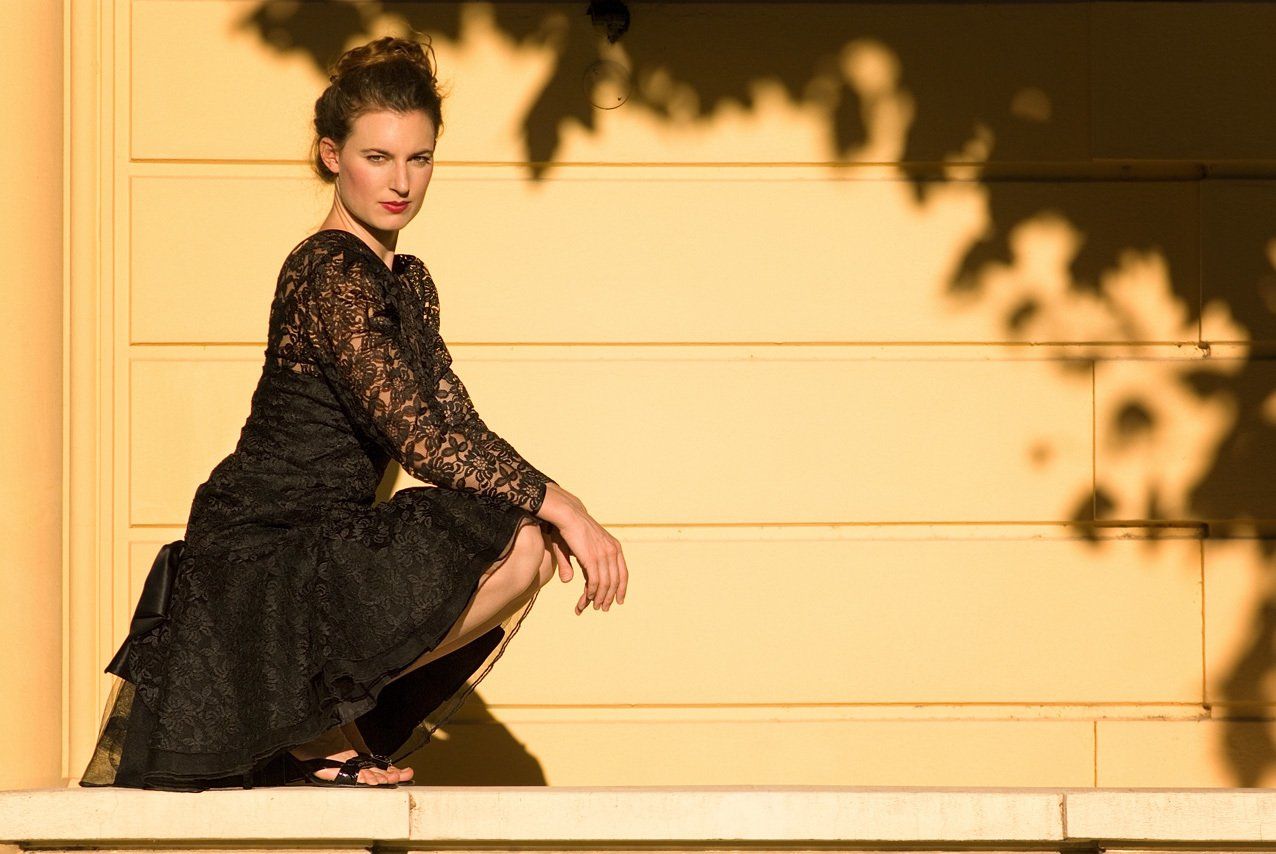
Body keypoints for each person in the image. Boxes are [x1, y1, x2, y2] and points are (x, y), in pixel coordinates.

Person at [78, 34, 628, 792]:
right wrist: (566, 504)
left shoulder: (405, 280)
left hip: (329, 542)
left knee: (525, 545)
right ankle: (309, 730)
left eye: (420, 158)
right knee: (517, 528)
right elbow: (423, 440)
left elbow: (456, 423)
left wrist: (557, 503)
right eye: (378, 157)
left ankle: (323, 726)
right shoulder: (329, 270)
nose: (401, 181)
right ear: (332, 155)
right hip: (260, 550)